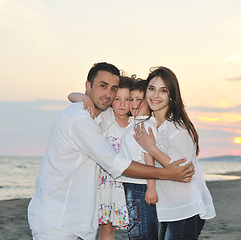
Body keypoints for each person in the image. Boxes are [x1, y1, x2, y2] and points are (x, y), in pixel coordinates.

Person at [27, 62, 195, 240]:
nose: (108, 93)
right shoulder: (80, 118)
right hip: (58, 223)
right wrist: (167, 173)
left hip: (71, 222)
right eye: (103, 86)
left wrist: (80, 97)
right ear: (88, 86)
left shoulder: (95, 116)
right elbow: (115, 163)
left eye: (113, 88)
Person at [134, 66, 216, 240]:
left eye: (163, 90)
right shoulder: (150, 124)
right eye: (151, 89)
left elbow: (183, 172)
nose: (155, 95)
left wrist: (151, 148)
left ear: (171, 95)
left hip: (185, 208)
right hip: (166, 208)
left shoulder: (177, 128)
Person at [68, 76, 133, 239]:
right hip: (101, 183)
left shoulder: (134, 124)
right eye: (117, 99)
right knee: (98, 226)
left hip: (123, 184)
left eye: (128, 99)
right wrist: (84, 97)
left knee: (118, 227)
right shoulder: (105, 117)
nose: (123, 104)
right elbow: (71, 96)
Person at [118, 78, 159, 240]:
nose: (133, 104)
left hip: (140, 186)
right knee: (137, 228)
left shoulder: (146, 125)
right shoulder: (135, 123)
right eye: (131, 99)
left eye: (138, 100)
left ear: (149, 102)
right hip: (133, 184)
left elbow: (149, 157)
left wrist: (151, 187)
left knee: (141, 230)